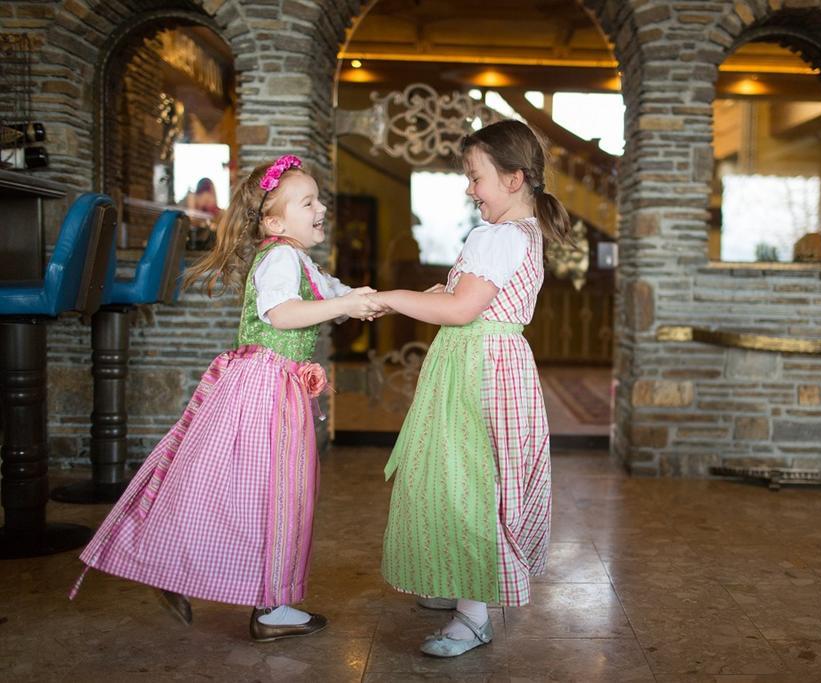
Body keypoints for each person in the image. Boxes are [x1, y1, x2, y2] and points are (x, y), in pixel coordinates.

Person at [69, 154, 384, 642]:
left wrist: (381, 300)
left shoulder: (296, 258)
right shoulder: (280, 256)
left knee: (254, 493)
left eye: (319, 198)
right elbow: (281, 313)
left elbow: (337, 295)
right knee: (278, 493)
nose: (321, 206)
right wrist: (346, 303)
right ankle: (267, 607)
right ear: (275, 220)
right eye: (308, 201)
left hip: (272, 387)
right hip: (267, 391)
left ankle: (193, 573)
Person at [371, 120, 570, 657]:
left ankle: (473, 613)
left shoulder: (498, 235)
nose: (469, 187)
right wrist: (440, 291)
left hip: (479, 371)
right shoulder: (520, 234)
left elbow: (461, 310)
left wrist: (391, 296)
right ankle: (461, 580)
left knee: (470, 484)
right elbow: (472, 297)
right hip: (487, 364)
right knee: (461, 473)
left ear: (513, 179)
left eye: (474, 176)